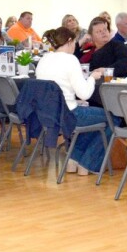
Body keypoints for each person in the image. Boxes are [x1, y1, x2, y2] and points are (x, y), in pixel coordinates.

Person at [38, 27, 112, 175]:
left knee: (91, 122)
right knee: (112, 118)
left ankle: (74, 159)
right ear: (70, 41)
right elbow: (84, 94)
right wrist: (92, 77)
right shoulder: (71, 60)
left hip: (50, 115)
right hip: (70, 115)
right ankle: (87, 163)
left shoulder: (44, 59)